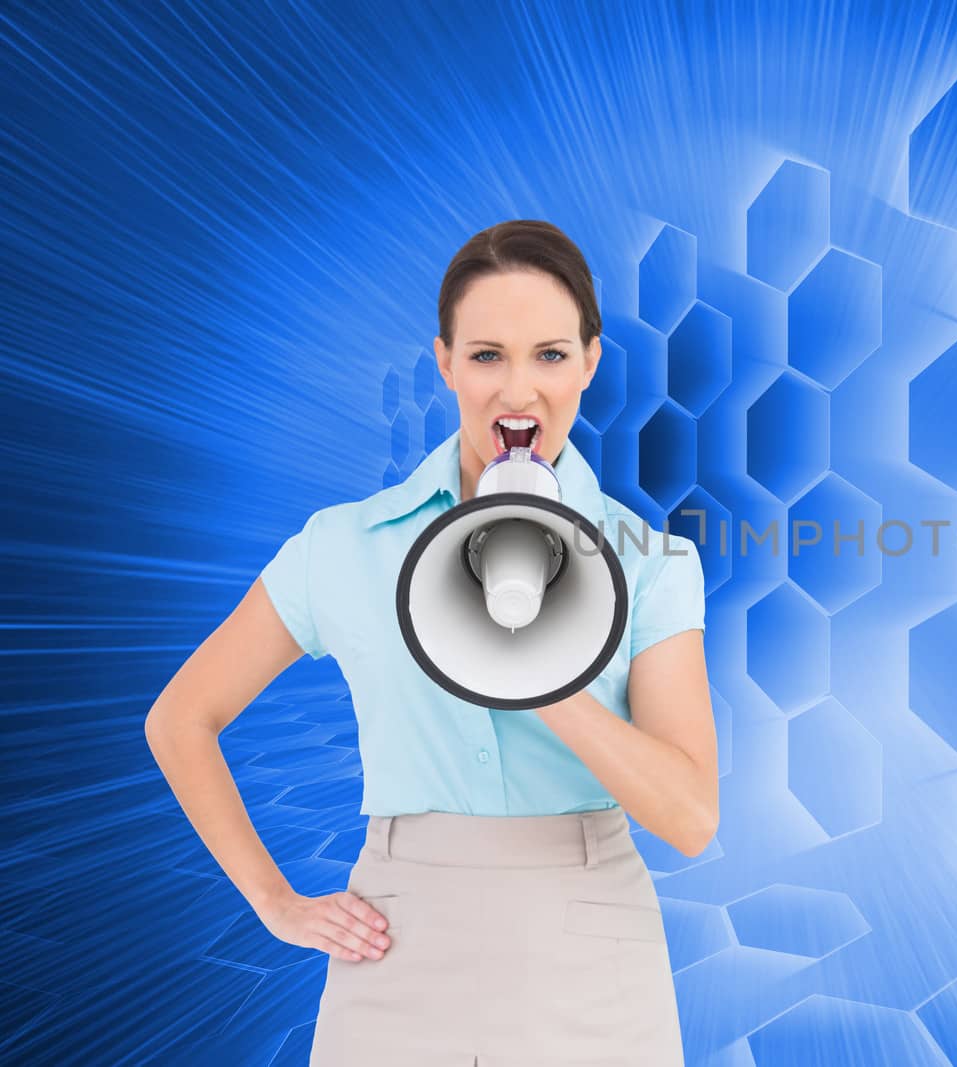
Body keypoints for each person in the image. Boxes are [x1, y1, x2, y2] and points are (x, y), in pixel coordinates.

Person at [144, 220, 715, 1065]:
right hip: (394, 943)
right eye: (487, 355)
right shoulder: (343, 546)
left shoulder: (654, 563)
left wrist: (542, 674)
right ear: (444, 361)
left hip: (595, 953)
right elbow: (181, 718)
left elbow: (691, 818)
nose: (518, 391)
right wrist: (274, 902)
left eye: (551, 355)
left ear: (592, 362)